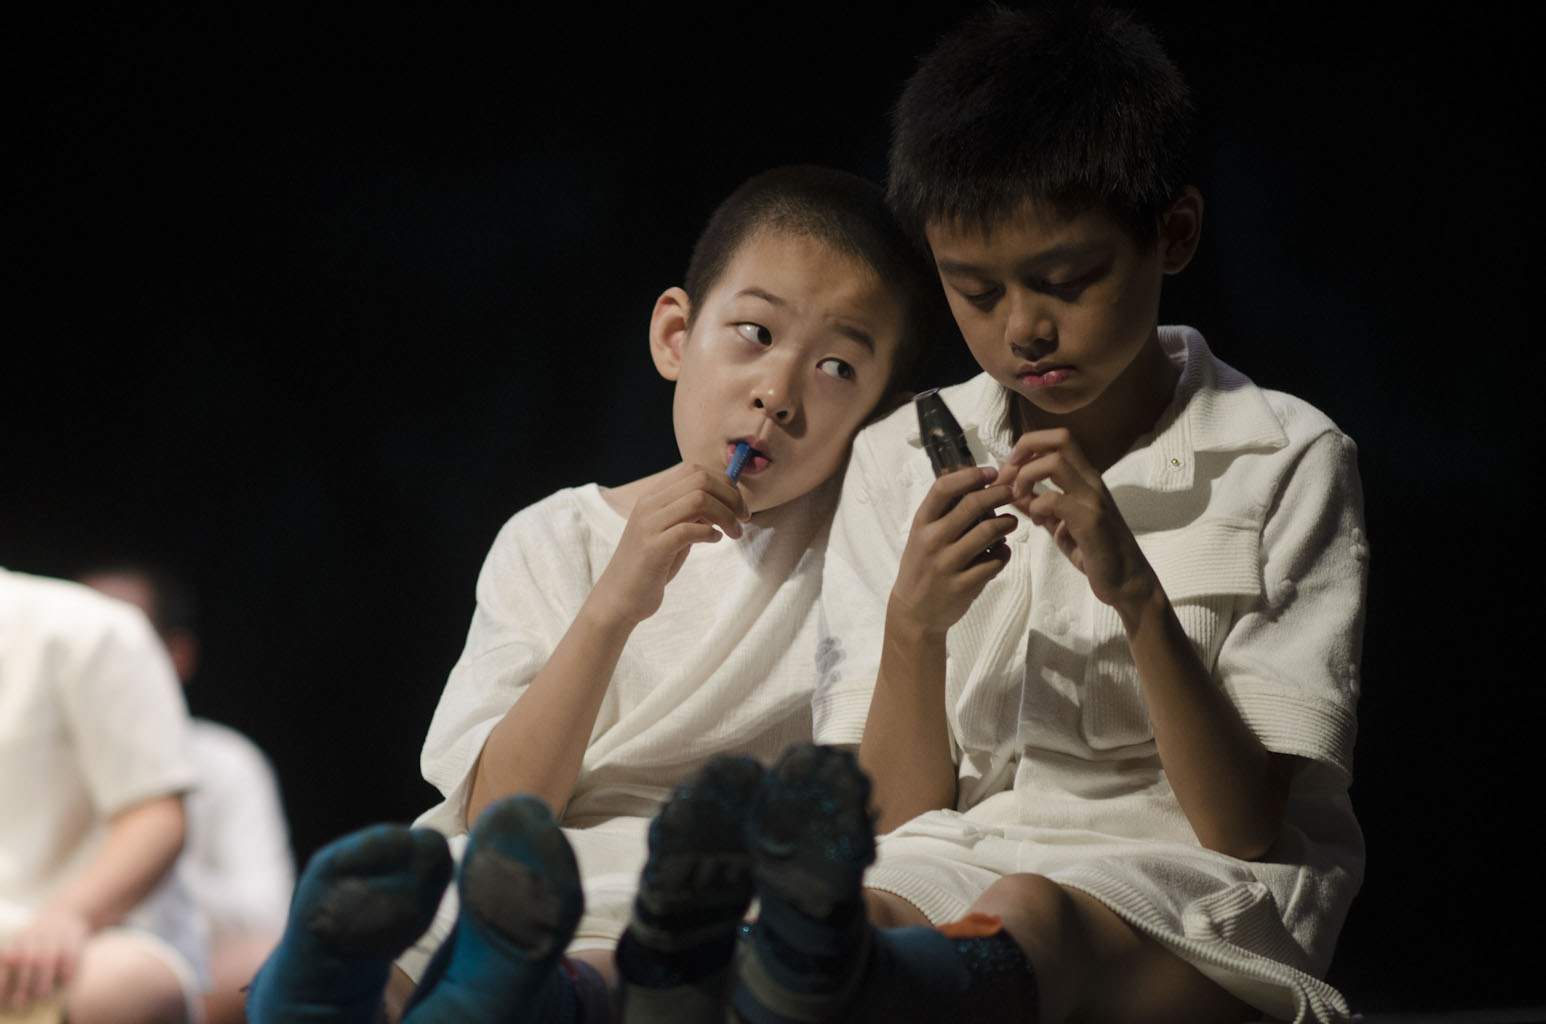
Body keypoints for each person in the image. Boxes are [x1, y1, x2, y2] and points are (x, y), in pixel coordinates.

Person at [718, 7, 1366, 1024]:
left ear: (1173, 234)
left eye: (1065, 281)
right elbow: (896, 818)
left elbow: (1241, 825)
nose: (1022, 328)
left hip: (1196, 908)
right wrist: (914, 624)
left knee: (1030, 914)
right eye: (975, 292)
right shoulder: (900, 456)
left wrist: (1135, 592)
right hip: (955, 863)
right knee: (851, 909)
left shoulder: (1286, 457)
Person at [244, 163, 938, 1024]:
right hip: (535, 873)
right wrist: (614, 602)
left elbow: (885, 817)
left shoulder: (865, 543)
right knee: (412, 939)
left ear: (879, 413)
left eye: (837, 367)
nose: (778, 393)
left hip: (722, 893)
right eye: (755, 333)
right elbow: (503, 812)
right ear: (676, 336)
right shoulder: (553, 538)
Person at [78, 564, 295, 1024]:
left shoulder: (226, 760)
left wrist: (142, 860)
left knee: (273, 960)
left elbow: (267, 915)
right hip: (64, 956)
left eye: (118, 642)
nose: (93, 660)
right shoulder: (34, 751)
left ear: (176, 655)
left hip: (195, 967)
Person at [0, 567, 206, 1024]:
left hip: (54, 950)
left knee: (126, 985)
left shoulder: (86, 628)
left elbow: (154, 815)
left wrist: (67, 915)